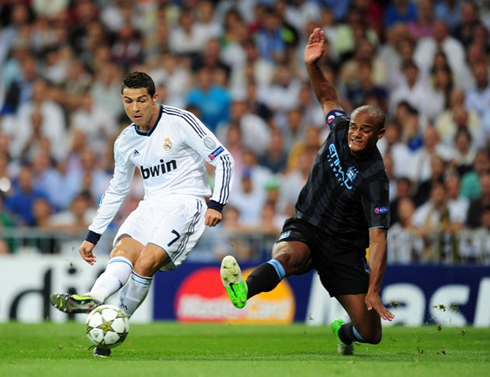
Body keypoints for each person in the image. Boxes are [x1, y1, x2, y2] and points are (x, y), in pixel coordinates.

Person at [220, 28, 394, 356]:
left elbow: (379, 238)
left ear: (379, 135)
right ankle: (243, 289)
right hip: (308, 225)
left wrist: (374, 290)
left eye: (365, 130)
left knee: (370, 334)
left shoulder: (375, 178)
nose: (356, 134)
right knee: (290, 256)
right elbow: (328, 96)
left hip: (344, 248)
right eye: (355, 126)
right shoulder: (341, 128)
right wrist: (312, 65)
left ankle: (343, 333)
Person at [50, 72, 234, 357]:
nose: (134, 108)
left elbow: (222, 158)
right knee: (122, 252)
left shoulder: (180, 121)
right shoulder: (125, 141)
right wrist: (93, 234)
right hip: (150, 204)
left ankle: (115, 322)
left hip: (186, 203)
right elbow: (116, 189)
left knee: (146, 262)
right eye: (128, 101)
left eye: (140, 100)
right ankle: (95, 298)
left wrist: (217, 203)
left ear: (154, 98)